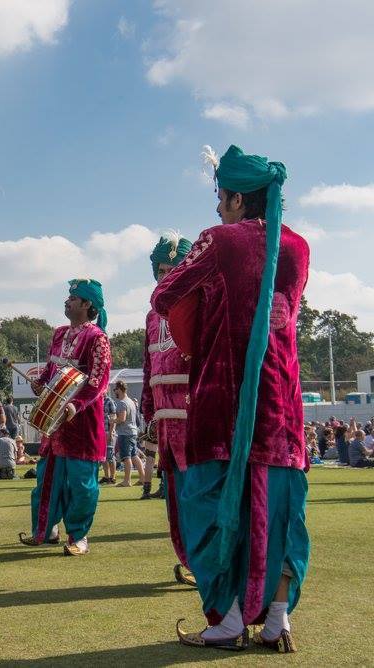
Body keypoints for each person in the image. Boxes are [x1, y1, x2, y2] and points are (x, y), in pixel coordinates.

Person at [154, 145, 309, 652]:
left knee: (210, 505)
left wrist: (201, 329)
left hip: (222, 400)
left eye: (221, 197)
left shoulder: (218, 240)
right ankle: (277, 620)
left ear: (240, 200)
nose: (218, 206)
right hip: (281, 403)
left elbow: (165, 295)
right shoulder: (298, 247)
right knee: (280, 510)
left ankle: (225, 620)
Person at [20, 280, 111, 556]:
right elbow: (51, 370)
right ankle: (45, 531)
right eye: (68, 297)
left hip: (82, 425)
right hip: (54, 425)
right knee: (46, 479)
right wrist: (41, 383)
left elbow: (98, 382)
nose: (67, 301)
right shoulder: (59, 334)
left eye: (73, 298)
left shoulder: (98, 339)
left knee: (82, 485)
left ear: (87, 305)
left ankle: (79, 537)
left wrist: (76, 405)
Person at [141, 231, 197, 586]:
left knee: (200, 494)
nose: (165, 276)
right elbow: (149, 369)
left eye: (171, 268)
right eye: (160, 270)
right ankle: (189, 559)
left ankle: (209, 563)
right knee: (175, 499)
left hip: (196, 416)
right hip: (164, 419)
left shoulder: (199, 300)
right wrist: (148, 412)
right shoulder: (151, 316)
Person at [112, 381, 143, 488]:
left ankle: (127, 481)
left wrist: (112, 421)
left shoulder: (122, 403)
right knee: (134, 455)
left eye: (115, 389)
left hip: (125, 433)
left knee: (126, 457)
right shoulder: (130, 401)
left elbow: (122, 418)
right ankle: (143, 478)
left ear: (119, 389)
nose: (114, 391)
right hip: (133, 432)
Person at [99, 392, 117, 484]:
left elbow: (113, 418)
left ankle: (113, 477)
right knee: (103, 456)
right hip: (100, 433)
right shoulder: (98, 400)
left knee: (110, 456)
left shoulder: (109, 401)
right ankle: (106, 476)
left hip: (108, 432)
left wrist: (111, 432)